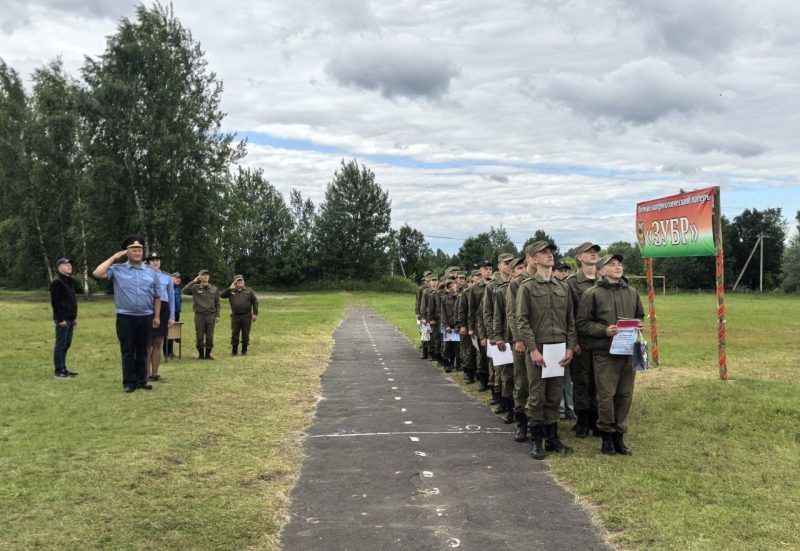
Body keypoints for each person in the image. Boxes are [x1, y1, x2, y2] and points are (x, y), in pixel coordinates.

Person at [576, 254, 644, 456]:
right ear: (602, 271)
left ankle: (619, 436)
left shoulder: (632, 292)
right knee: (606, 396)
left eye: (619, 264)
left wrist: (639, 325)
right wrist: (604, 330)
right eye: (612, 264)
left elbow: (639, 315)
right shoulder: (592, 294)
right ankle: (606, 436)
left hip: (628, 351)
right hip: (605, 352)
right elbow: (582, 324)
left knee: (625, 395)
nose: (617, 267)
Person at [516, 241, 576, 460]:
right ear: (533, 259)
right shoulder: (527, 287)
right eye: (544, 252)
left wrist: (570, 347)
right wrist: (532, 349)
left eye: (551, 252)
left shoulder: (563, 287)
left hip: (559, 348)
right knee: (536, 395)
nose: (550, 255)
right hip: (538, 348)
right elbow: (522, 321)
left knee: (554, 394)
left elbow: (571, 321)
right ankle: (536, 439)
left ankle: (552, 438)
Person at [92, 235, 161, 393]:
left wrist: (156, 316)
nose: (137, 253)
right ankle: (129, 382)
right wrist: (115, 257)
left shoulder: (152, 272)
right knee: (128, 350)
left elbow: (157, 296)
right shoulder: (117, 270)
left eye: (140, 250)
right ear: (127, 252)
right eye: (133, 250)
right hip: (126, 317)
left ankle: (142, 380)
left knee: (143, 350)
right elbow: (97, 273)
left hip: (146, 316)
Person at [566, 242, 602, 438]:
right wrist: (573, 342)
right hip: (581, 340)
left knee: (599, 380)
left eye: (595, 251)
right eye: (589, 252)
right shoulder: (571, 283)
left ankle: (597, 418)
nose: (593, 254)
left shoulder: (603, 280)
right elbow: (569, 316)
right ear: (579, 257)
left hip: (603, 339)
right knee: (581, 380)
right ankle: (582, 419)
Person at [491, 254, 517, 423]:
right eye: (506, 264)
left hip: (524, 340)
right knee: (507, 375)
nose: (508, 267)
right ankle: (509, 408)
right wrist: (496, 336)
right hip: (506, 338)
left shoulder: (525, 287)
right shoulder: (498, 289)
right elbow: (492, 314)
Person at [144, 252, 175, 381]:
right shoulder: (144, 275)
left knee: (158, 342)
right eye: (152, 260)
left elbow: (171, 297)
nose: (156, 262)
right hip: (148, 308)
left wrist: (172, 316)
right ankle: (145, 374)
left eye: (157, 260)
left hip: (164, 308)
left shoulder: (167, 277)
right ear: (148, 262)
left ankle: (154, 374)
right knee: (147, 342)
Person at [50, 257, 79, 378]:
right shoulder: (57, 282)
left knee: (67, 344)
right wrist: (61, 319)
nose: (69, 266)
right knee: (61, 344)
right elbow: (55, 302)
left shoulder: (69, 281)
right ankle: (59, 370)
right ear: (59, 267)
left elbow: (72, 300)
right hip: (63, 319)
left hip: (70, 318)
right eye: (66, 264)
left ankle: (64, 368)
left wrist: (75, 316)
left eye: (70, 265)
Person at [183, 270, 220, 359]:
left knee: (210, 336)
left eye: (207, 275)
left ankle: (208, 354)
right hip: (200, 315)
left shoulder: (214, 288)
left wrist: (218, 315)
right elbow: (184, 291)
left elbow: (217, 303)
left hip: (211, 315)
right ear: (199, 277)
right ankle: (200, 354)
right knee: (199, 335)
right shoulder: (195, 288)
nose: (206, 276)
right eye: (203, 275)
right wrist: (194, 281)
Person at [220, 274, 259, 356]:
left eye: (241, 280)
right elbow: (222, 295)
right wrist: (230, 288)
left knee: (245, 333)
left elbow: (255, 302)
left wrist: (255, 313)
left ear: (243, 281)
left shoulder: (249, 291)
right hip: (235, 316)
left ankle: (244, 350)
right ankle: (234, 351)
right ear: (235, 282)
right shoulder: (231, 291)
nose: (240, 282)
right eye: (238, 281)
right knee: (235, 333)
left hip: (247, 315)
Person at [164, 272, 182, 359]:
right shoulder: (168, 288)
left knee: (173, 333)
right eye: (176, 277)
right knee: (168, 333)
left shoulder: (178, 289)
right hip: (170, 313)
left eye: (179, 278)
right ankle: (166, 352)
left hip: (177, 313)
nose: (178, 279)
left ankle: (171, 351)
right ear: (171, 279)